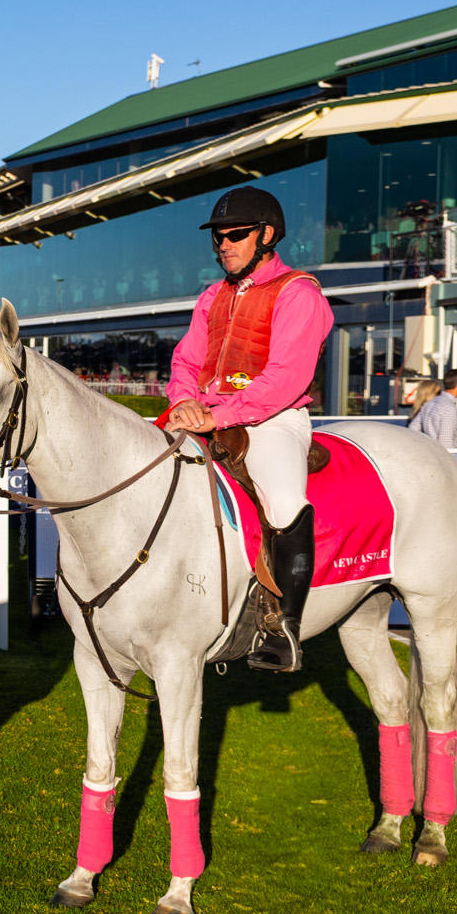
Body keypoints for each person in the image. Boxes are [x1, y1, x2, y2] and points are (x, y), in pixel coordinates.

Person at [160, 186, 334, 673]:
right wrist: (184, 400)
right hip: (204, 413)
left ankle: (285, 629)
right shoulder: (211, 295)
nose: (224, 244)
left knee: (283, 502)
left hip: (273, 419)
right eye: (218, 236)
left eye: (235, 234)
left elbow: (286, 378)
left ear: (267, 235)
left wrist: (218, 416)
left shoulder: (299, 293)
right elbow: (186, 360)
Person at [409, 370, 457, 450]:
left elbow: (413, 428)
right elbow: (446, 444)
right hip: (441, 454)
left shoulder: (430, 403)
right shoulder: (449, 408)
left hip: (430, 451)